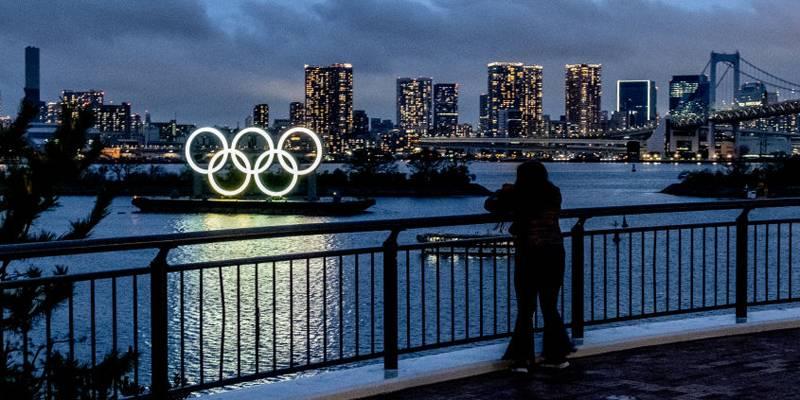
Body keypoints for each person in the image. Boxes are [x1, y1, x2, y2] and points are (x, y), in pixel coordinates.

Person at [484, 160, 574, 371]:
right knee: (549, 305)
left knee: (526, 307)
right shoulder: (554, 192)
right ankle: (556, 356)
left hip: (529, 253)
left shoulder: (518, 193)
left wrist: (502, 191)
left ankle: (523, 358)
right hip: (554, 253)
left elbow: (490, 205)